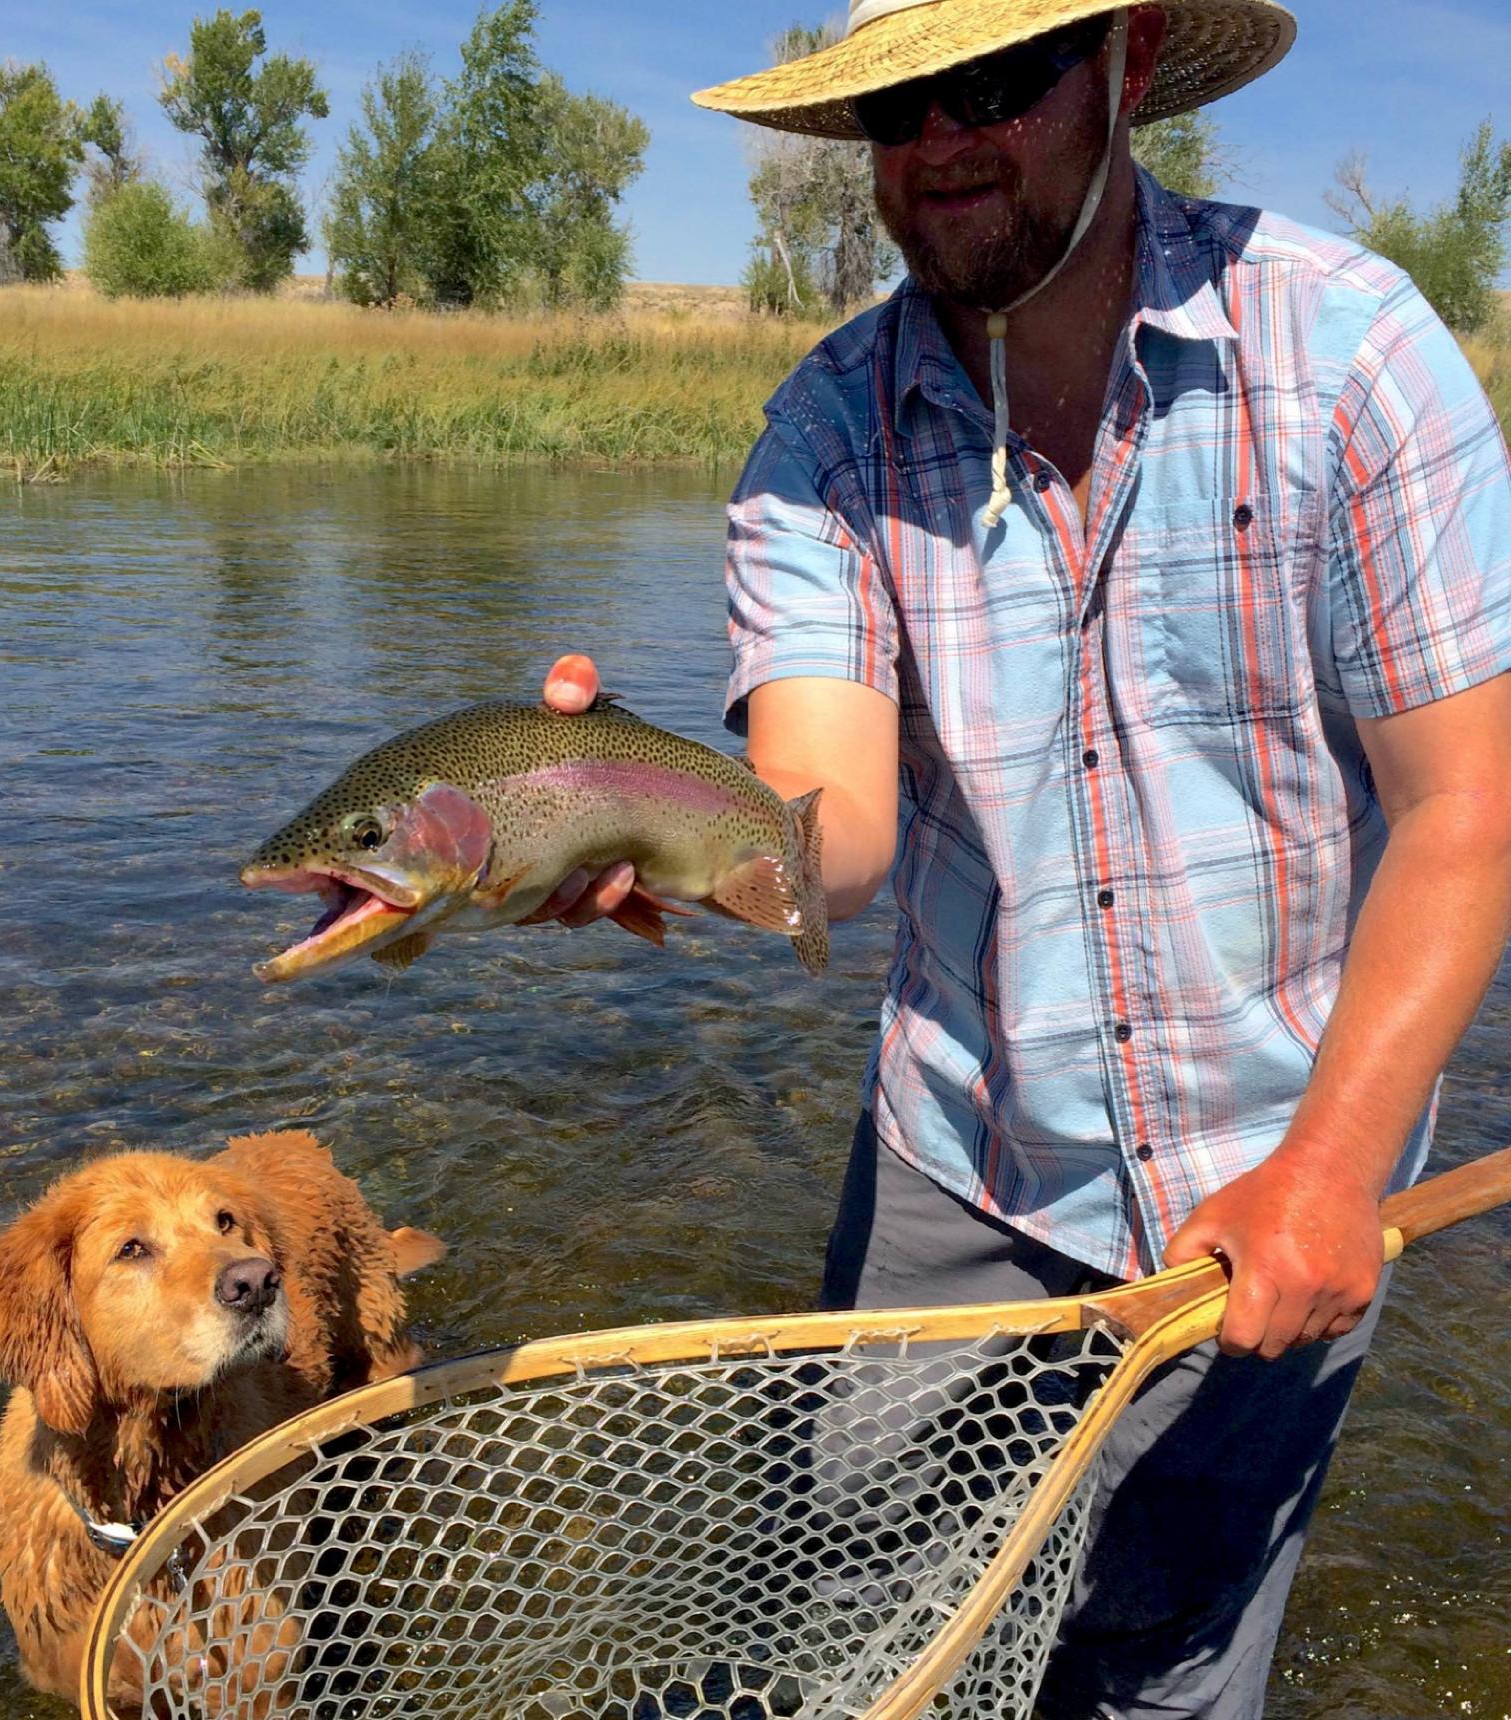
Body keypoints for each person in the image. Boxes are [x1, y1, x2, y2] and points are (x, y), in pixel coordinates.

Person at [534, 1, 1511, 1713]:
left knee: (1166, 1664)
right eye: (901, 102)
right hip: (960, 1162)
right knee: (864, 1648)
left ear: (1130, 67)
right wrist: (638, 819)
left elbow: (1468, 808)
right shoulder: (820, 441)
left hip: (1282, 1172)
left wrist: (1333, 1169)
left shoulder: (1350, 354)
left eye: (995, 79)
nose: (942, 139)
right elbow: (818, 845)